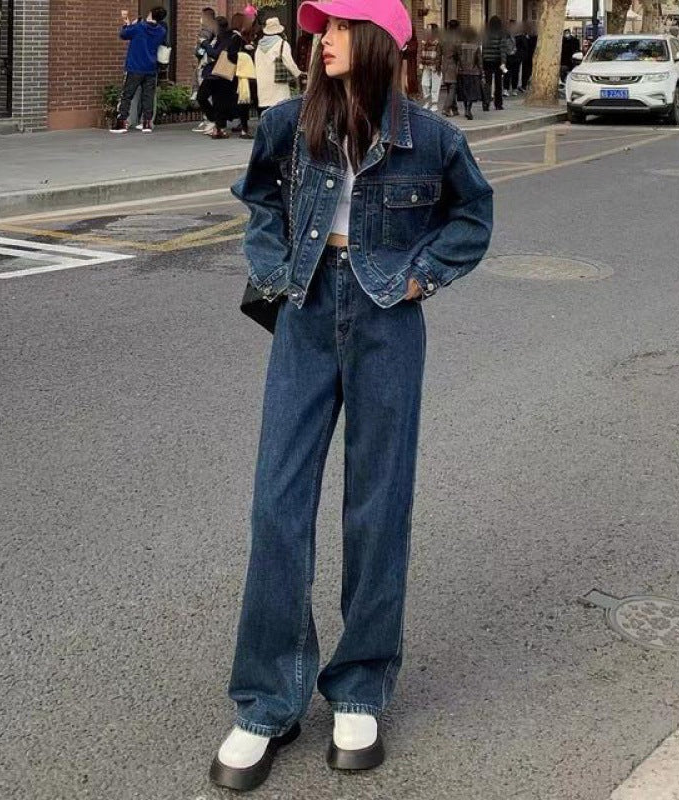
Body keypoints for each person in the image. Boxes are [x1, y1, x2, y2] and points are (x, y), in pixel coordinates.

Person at [209, 0, 494, 792]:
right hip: (305, 312)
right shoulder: (291, 124)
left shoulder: (432, 139)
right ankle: (268, 700)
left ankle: (360, 686)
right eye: (317, 29)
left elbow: (473, 216)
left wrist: (416, 276)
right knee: (277, 503)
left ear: (375, 40)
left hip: (386, 321)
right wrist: (271, 269)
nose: (320, 40)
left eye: (335, 27)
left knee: (376, 505)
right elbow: (260, 199)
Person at [110, 6, 167, 134]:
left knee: (127, 95)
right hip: (151, 68)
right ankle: (146, 123)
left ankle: (122, 123)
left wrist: (128, 24)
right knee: (148, 96)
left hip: (135, 67)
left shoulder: (140, 27)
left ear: (151, 14)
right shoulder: (161, 31)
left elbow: (124, 34)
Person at [198, 16, 244, 139]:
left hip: (222, 73)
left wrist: (205, 44)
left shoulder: (231, 37)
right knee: (201, 97)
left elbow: (216, 54)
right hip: (211, 73)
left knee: (219, 101)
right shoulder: (216, 38)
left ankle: (220, 127)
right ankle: (217, 123)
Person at [255, 17, 304, 115]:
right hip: (278, 83)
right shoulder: (282, 44)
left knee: (266, 110)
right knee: (280, 108)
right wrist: (299, 73)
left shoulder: (259, 46)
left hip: (262, 83)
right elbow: (289, 63)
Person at [192, 7, 217, 133]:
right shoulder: (215, 28)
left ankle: (209, 120)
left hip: (206, 64)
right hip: (210, 65)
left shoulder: (207, 29)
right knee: (207, 93)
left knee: (204, 93)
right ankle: (208, 119)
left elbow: (202, 46)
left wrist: (197, 51)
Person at [482, 15, 508, 110]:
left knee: (487, 83)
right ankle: (498, 104)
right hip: (497, 61)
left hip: (487, 60)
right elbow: (502, 49)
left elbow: (483, 48)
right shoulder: (501, 33)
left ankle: (486, 103)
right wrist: (503, 62)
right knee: (498, 83)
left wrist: (482, 59)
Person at [456, 25, 483, 119]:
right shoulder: (476, 47)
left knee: (464, 92)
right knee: (471, 92)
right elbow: (479, 61)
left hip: (462, 72)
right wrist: (481, 72)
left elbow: (457, 59)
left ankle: (465, 108)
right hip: (473, 72)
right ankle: (468, 108)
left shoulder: (460, 46)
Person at [438, 19, 461, 116]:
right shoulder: (456, 39)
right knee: (453, 88)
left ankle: (454, 109)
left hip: (445, 64)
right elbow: (458, 54)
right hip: (452, 65)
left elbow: (439, 53)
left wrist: (439, 65)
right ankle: (446, 108)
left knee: (449, 87)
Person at [418, 23, 442, 112]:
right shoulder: (425, 41)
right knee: (424, 83)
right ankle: (427, 101)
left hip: (435, 66)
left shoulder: (438, 42)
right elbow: (422, 53)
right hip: (426, 65)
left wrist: (438, 65)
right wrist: (421, 65)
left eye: (428, 29)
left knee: (435, 85)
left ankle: (435, 104)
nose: (427, 30)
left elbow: (440, 55)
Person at [521, 21, 537, 91]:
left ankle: (529, 85)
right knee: (525, 72)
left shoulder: (535, 38)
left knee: (531, 72)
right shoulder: (524, 37)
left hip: (532, 56)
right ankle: (524, 85)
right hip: (526, 57)